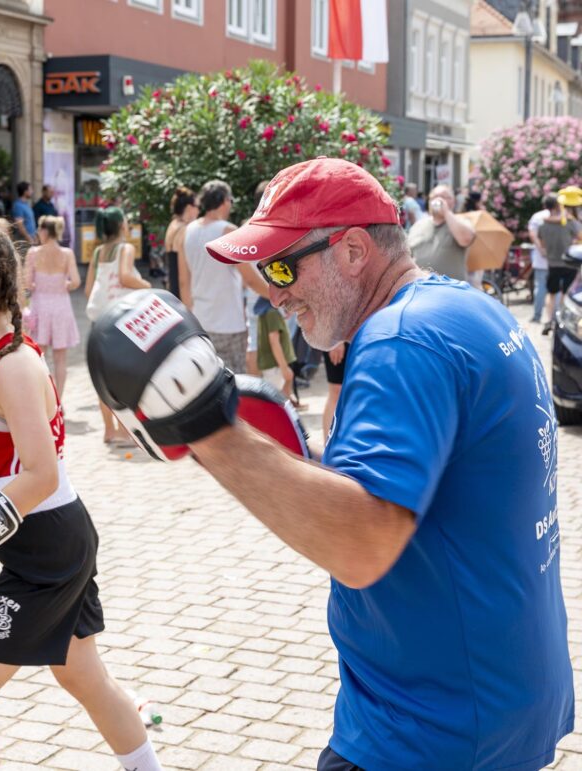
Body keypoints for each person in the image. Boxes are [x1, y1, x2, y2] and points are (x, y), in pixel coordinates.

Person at [90, 157, 574, 770]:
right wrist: (276, 445)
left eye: (283, 265)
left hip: (429, 726)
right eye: (265, 270)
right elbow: (417, 479)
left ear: (351, 250)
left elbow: (361, 544)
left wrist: (207, 429)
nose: (275, 291)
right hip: (490, 695)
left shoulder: (401, 342)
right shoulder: (466, 310)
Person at [0, 219, 163, 771]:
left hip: (45, 549)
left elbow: (42, 474)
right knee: (84, 677)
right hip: (44, 539)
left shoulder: (15, 366)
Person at [178, 180, 268, 375]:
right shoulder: (228, 231)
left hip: (200, 321)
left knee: (208, 381)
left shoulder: (187, 232)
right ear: (225, 201)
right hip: (229, 322)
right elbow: (251, 279)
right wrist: (276, 295)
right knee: (234, 380)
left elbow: (184, 282)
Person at [84, 206, 150, 447]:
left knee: (103, 378)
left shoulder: (98, 252)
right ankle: (126, 431)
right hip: (121, 320)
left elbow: (89, 290)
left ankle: (109, 430)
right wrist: (148, 286)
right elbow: (125, 277)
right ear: (122, 225)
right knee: (125, 376)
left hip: (99, 319)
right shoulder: (126, 248)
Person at [23, 215, 80, 397]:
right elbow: (76, 281)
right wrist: (65, 285)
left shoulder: (33, 253)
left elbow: (26, 282)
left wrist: (37, 286)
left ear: (45, 231)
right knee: (61, 358)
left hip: (40, 306)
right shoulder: (67, 254)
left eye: (39, 229)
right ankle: (59, 399)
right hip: (61, 306)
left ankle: (42, 397)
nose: (38, 233)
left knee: (39, 356)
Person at [407, 183, 476, 281]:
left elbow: (466, 239)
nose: (438, 200)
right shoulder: (417, 226)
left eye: (444, 197)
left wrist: (446, 212)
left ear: (453, 201)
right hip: (421, 290)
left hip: (451, 291)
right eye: (435, 197)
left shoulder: (461, 222)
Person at [538, 191, 582, 335]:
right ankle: (559, 321)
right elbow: (579, 236)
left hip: (552, 264)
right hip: (570, 263)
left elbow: (543, 245)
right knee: (565, 294)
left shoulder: (542, 225)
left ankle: (547, 320)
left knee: (550, 294)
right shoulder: (570, 223)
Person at [254, 298, 297, 406]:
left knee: (279, 399)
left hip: (274, 365)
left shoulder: (266, 311)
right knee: (274, 403)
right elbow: (274, 340)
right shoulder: (272, 312)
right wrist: (284, 367)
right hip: (275, 366)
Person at [162, 186, 198, 300]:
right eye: (197, 206)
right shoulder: (184, 229)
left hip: (173, 286)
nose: (199, 210)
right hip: (183, 290)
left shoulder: (173, 224)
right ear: (189, 208)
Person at [529, 193, 558, 324]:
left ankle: (537, 315)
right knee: (556, 290)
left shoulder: (537, 217)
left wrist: (541, 250)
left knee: (540, 287)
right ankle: (554, 318)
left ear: (544, 204)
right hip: (557, 260)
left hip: (541, 259)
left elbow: (533, 235)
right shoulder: (559, 217)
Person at [321, 342, 348, 442]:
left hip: (362, 335)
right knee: (336, 392)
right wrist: (336, 342)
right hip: (338, 338)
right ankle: (329, 444)